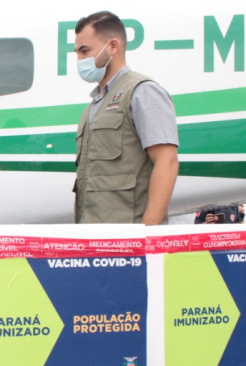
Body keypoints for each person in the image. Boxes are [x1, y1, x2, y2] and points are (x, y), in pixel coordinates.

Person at [72, 11, 179, 225]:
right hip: (95, 235)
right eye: (77, 53)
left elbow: (167, 161)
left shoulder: (142, 92)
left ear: (113, 46)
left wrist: (147, 232)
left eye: (85, 51)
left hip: (130, 237)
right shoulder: (93, 108)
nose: (80, 60)